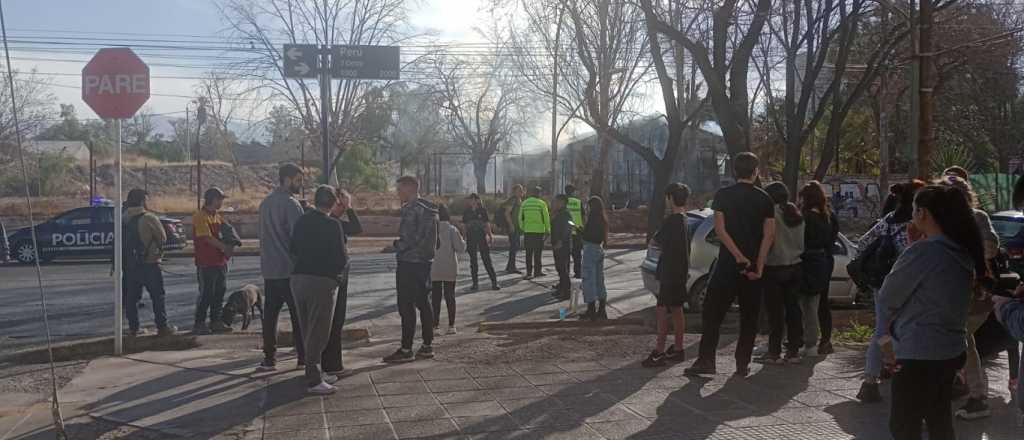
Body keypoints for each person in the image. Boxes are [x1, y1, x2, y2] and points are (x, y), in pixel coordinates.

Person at [880, 184, 986, 440]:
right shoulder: (961, 251)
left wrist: (912, 249)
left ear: (923, 213)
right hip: (949, 349)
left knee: (904, 425)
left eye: (914, 209)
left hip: (918, 351)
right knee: (939, 420)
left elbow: (889, 295)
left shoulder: (924, 251)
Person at [685, 152, 775, 377]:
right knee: (749, 316)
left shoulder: (723, 195)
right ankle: (742, 363)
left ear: (735, 171)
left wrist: (737, 256)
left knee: (712, 313)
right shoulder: (765, 198)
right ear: (756, 172)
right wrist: (759, 265)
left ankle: (706, 360)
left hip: (727, 265)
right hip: (753, 267)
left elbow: (720, 230)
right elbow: (769, 235)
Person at [856, 180, 925, 403]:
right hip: (909, 286)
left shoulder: (888, 221)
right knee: (908, 329)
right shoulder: (919, 225)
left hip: (882, 283)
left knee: (881, 329)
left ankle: (870, 380)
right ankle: (904, 376)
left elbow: (862, 243)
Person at [939, 173, 1000, 420]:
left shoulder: (977, 217)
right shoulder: (940, 220)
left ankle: (971, 393)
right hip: (950, 294)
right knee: (963, 341)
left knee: (958, 340)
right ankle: (974, 394)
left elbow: (991, 247)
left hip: (974, 295)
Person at [290, 186, 349, 395]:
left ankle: (314, 371)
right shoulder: (333, 225)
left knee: (307, 328)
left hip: (298, 278)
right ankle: (314, 379)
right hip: (322, 281)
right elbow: (341, 257)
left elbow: (292, 249)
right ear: (333, 203)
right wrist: (337, 277)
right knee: (319, 331)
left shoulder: (301, 221)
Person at [256, 164, 306, 371]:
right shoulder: (291, 204)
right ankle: (303, 357)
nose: (300, 184)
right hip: (290, 269)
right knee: (299, 316)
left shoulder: (265, 203)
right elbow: (300, 237)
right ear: (287, 179)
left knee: (270, 316)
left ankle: (269, 358)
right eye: (298, 180)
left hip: (270, 269)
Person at [383, 176, 438, 364]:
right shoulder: (430, 209)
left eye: (400, 189)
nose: (398, 192)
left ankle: (406, 349)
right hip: (425, 262)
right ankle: (427, 345)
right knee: (424, 303)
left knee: (406, 306)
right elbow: (435, 240)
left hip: (409, 262)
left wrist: (395, 245)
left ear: (410, 188)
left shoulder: (411, 209)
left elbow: (407, 239)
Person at [642, 184, 691, 367]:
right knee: (677, 309)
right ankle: (678, 348)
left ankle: (659, 351)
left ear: (670, 198)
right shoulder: (686, 219)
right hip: (681, 271)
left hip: (669, 271)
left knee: (662, 310)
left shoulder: (671, 221)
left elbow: (655, 241)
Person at [757, 182, 805, 365]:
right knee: (793, 310)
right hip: (796, 267)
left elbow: (766, 239)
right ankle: (793, 351)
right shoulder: (796, 214)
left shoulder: (771, 215)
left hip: (774, 267)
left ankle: (774, 352)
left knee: (775, 313)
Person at [121, 189, 176, 337]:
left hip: (130, 265)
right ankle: (163, 327)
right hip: (150, 263)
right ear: (142, 200)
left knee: (132, 299)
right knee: (158, 296)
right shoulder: (149, 218)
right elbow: (162, 238)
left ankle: (134, 328)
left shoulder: (123, 218)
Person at [323, 188, 362, 376]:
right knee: (335, 320)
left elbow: (356, 228)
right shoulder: (332, 223)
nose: (342, 208)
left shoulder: (332, 221)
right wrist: (349, 207)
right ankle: (333, 365)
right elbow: (356, 228)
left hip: (329, 275)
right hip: (334, 276)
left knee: (331, 321)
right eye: (340, 204)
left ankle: (328, 364)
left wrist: (349, 207)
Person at [798, 181, 839, 358]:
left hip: (807, 262)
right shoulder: (829, 216)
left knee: (806, 303)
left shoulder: (805, 217)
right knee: (822, 302)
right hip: (825, 261)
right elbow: (833, 239)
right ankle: (826, 340)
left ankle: (806, 340)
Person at [192, 187, 233, 335]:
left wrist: (231, 243)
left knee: (219, 292)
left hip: (220, 262)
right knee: (206, 294)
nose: (221, 202)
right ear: (212, 199)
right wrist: (224, 247)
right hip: (206, 262)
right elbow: (206, 238)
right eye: (219, 199)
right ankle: (199, 323)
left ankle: (216, 321)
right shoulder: (200, 216)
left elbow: (227, 233)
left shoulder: (217, 216)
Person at [431, 204, 466, 335]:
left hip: (434, 267)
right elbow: (460, 248)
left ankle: (435, 326)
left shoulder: (431, 229)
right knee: (450, 296)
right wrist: (464, 237)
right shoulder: (452, 230)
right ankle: (451, 326)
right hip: (450, 266)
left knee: (435, 297)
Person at [579, 195, 609, 321]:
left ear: (592, 206)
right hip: (599, 249)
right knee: (599, 280)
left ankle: (591, 310)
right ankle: (602, 309)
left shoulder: (592, 218)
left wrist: (580, 231)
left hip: (590, 249)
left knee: (588, 280)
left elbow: (588, 236)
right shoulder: (602, 218)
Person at [462, 194, 500, 291]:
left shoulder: (482, 211)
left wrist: (490, 235)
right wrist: (463, 238)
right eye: (471, 199)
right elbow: (464, 226)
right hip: (471, 238)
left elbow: (487, 224)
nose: (472, 201)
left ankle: (494, 282)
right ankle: (475, 284)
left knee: (487, 260)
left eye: (474, 199)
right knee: (473, 262)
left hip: (481, 237)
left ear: (477, 200)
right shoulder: (466, 212)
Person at [519, 186, 551, 280]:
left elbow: (520, 218)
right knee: (538, 253)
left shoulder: (525, 203)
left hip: (528, 231)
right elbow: (546, 217)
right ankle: (537, 272)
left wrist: (523, 227)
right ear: (539, 193)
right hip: (539, 232)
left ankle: (529, 273)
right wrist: (548, 229)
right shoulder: (542, 203)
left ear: (531, 193)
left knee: (528, 253)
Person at [549, 195, 572, 301]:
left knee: (563, 268)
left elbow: (567, 229)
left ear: (562, 202)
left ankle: (566, 292)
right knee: (559, 268)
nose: (554, 203)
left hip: (562, 245)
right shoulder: (558, 213)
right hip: (556, 243)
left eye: (556, 201)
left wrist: (561, 241)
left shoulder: (566, 214)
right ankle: (561, 287)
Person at [502, 185, 525, 274]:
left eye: (521, 190)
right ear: (514, 192)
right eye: (519, 190)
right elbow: (507, 213)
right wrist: (511, 225)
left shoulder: (519, 200)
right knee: (514, 246)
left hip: (517, 227)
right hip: (513, 227)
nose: (521, 191)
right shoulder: (513, 200)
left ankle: (510, 266)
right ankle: (512, 267)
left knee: (515, 246)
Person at [565, 184, 585, 279]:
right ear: (573, 192)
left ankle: (566, 273)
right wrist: (583, 228)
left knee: (565, 254)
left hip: (565, 232)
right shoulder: (578, 202)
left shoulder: (563, 202)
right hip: (577, 231)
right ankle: (578, 272)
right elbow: (583, 216)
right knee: (577, 254)